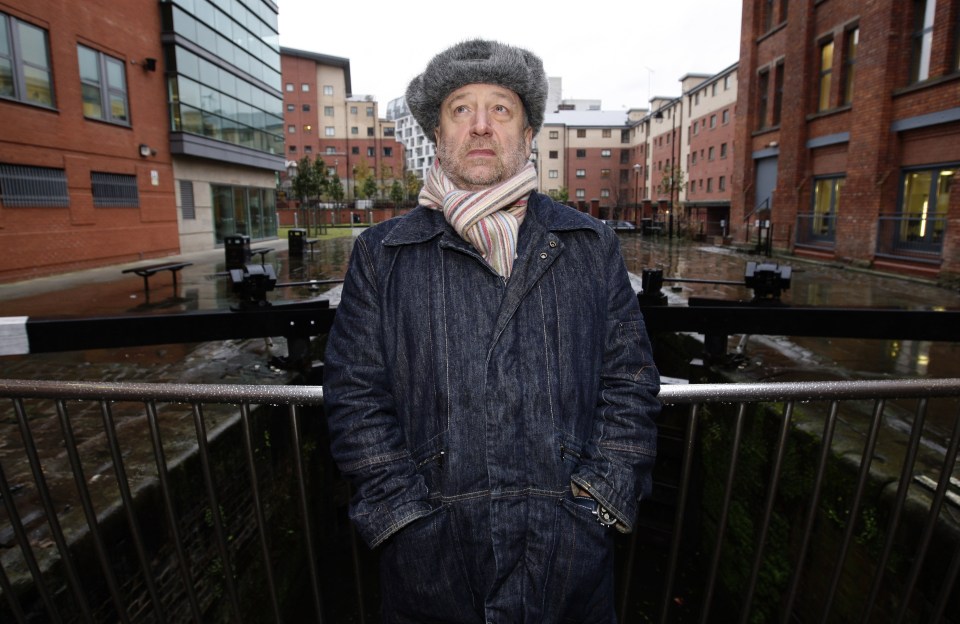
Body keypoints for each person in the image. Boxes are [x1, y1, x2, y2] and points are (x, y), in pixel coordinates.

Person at [323, 39, 660, 624]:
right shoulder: (383, 253)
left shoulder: (589, 245)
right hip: (432, 565)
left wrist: (599, 504)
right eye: (461, 109)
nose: (480, 126)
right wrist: (404, 521)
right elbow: (355, 398)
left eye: (500, 108)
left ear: (528, 133)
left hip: (567, 560)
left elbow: (629, 382)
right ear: (437, 133)